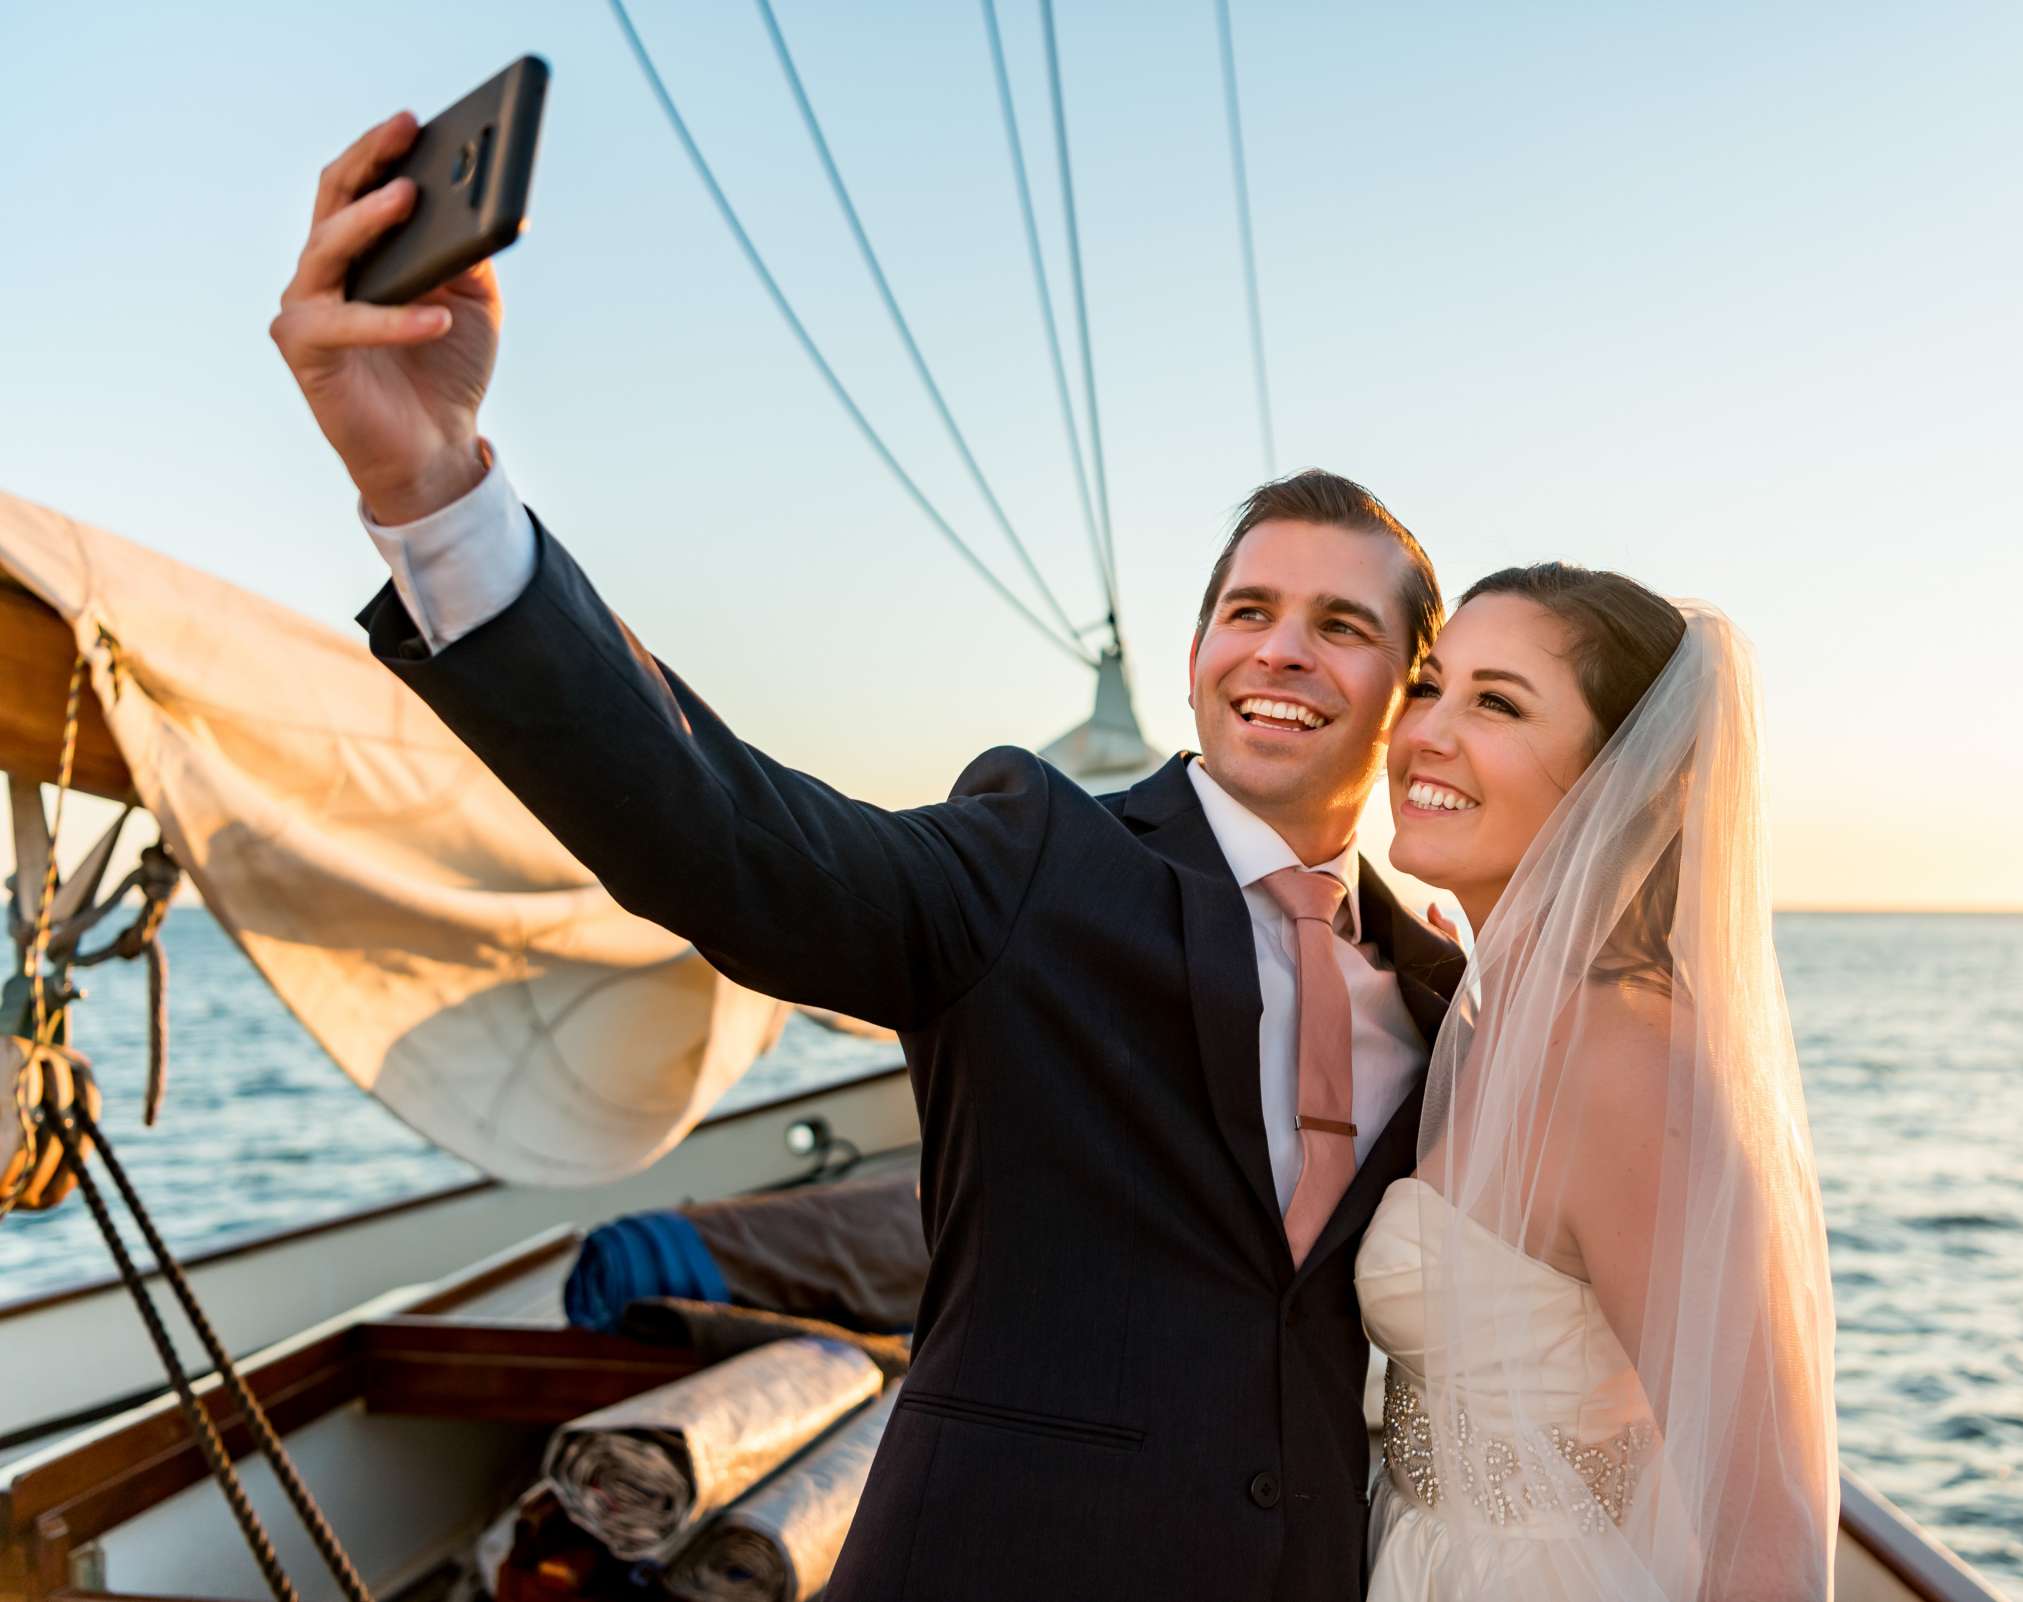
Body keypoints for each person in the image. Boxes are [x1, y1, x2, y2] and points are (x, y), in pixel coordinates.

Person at [271, 113, 1462, 1601]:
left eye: (1342, 624)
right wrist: (435, 483)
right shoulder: (1037, 852)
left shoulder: (1446, 987)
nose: (1281, 650)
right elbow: (725, 836)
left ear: (1414, 688)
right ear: (1200, 647)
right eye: (1249, 610)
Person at [1363, 564, 1837, 1599]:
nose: (1427, 733)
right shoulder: (1486, 1022)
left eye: (1497, 702)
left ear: (1613, 775)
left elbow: (1773, 1536)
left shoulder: (1628, 1062)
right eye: (1431, 686)